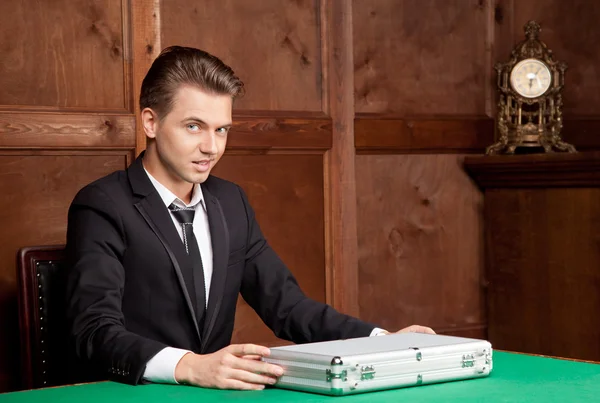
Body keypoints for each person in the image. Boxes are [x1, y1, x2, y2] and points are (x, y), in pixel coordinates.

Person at [65, 46, 434, 391]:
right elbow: (94, 331)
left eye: (221, 129)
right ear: (150, 122)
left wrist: (382, 342)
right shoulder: (102, 205)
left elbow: (287, 306)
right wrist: (191, 366)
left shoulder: (231, 201)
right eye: (193, 126)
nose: (211, 147)